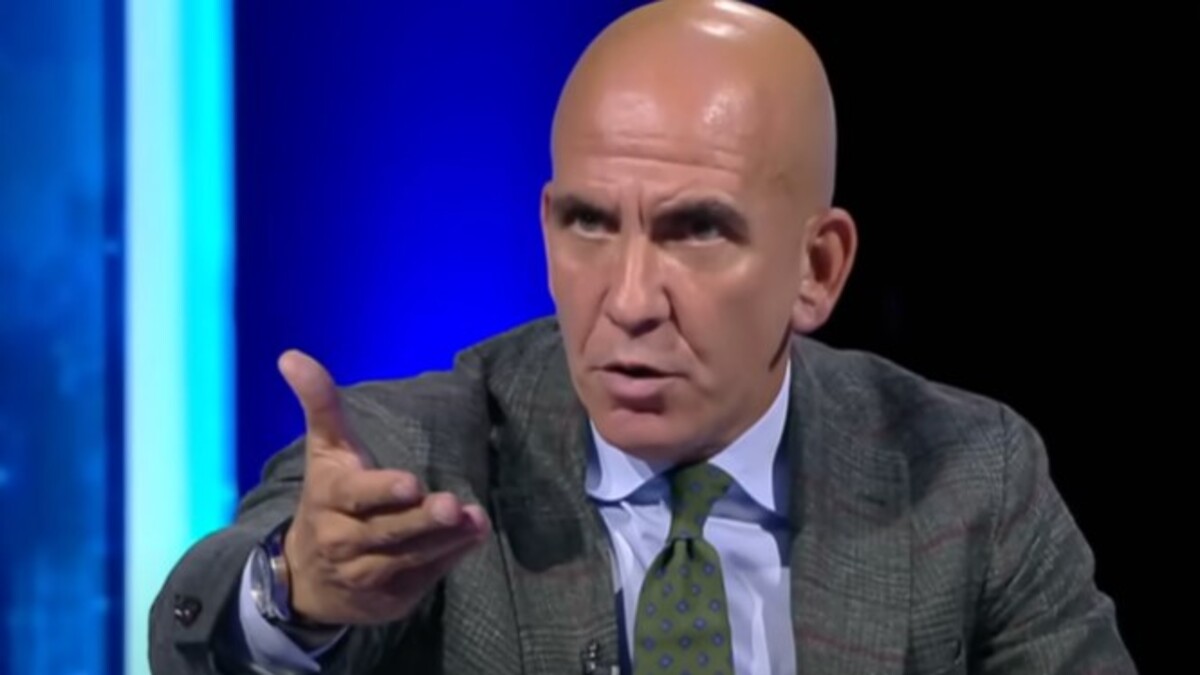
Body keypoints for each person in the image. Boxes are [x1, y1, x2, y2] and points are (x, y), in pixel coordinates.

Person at [149, 1, 1136, 673]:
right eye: (589, 223)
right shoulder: (410, 461)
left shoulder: (966, 475)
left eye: (695, 231)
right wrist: (294, 592)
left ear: (817, 268)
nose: (628, 300)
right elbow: (192, 632)